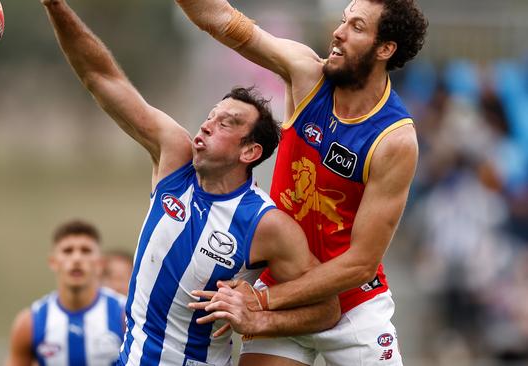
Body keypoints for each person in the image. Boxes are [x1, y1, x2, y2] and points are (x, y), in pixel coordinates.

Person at [39, 1, 340, 365]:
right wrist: (54, 5)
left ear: (250, 151)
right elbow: (101, 77)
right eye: (211, 116)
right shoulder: (174, 160)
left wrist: (258, 316)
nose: (207, 125)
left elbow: (327, 310)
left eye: (227, 123)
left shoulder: (266, 223)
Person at [176, 0, 428, 364]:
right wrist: (269, 297)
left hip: (353, 307)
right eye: (343, 21)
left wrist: (261, 301)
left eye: (357, 27)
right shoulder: (307, 74)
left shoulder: (394, 139)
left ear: (385, 49)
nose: (338, 33)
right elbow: (221, 19)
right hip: (284, 293)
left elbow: (360, 265)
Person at [6, 219, 126, 365]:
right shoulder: (29, 323)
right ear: (53, 262)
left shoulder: (125, 315)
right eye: (67, 251)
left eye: (85, 251)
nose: (76, 258)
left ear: (100, 263)